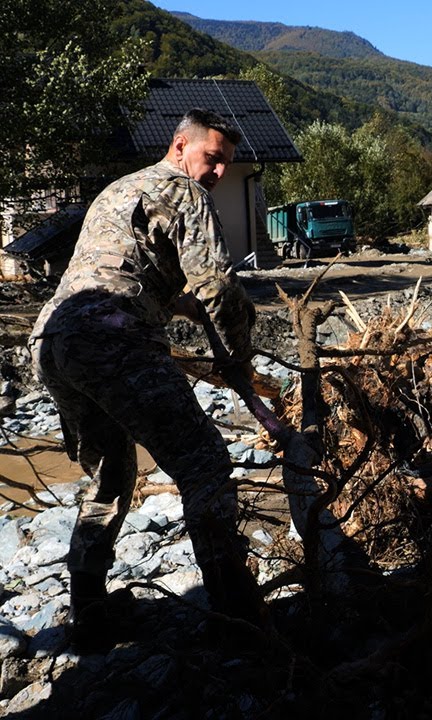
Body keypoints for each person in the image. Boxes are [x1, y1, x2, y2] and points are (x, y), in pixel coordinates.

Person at [29, 108, 265, 653]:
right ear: (180, 146)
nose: (219, 172)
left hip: (54, 339)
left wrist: (174, 306)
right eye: (212, 157)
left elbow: (126, 270)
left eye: (227, 163)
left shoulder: (119, 189)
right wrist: (237, 359)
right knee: (203, 461)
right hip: (113, 334)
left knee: (112, 472)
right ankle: (237, 615)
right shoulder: (186, 192)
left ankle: (87, 606)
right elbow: (220, 288)